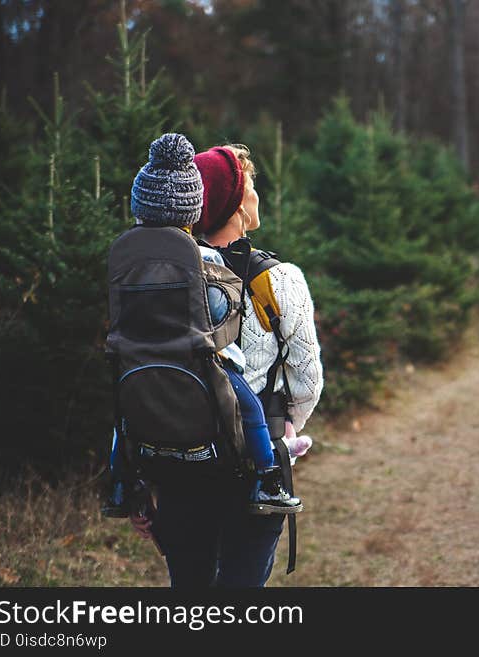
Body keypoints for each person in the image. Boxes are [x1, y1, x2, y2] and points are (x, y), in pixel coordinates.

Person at [131, 140, 324, 587]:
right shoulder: (280, 280)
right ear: (238, 203)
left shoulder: (165, 277)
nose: (257, 193)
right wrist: (284, 429)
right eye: (251, 185)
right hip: (253, 471)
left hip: (179, 462)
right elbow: (307, 381)